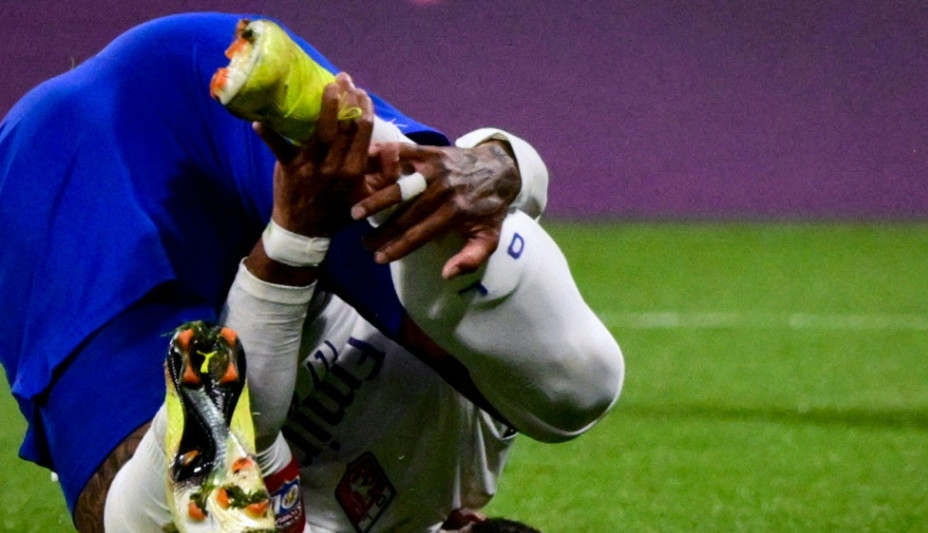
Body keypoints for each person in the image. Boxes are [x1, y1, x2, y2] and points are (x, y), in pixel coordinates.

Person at [0, 12, 622, 533]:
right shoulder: (469, 454)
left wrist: (291, 241)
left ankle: (215, 412)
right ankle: (363, 147)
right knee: (577, 388)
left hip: (52, 196)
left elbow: (245, 445)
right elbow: (522, 203)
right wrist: (500, 161)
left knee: (176, 514)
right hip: (229, 123)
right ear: (468, 523)